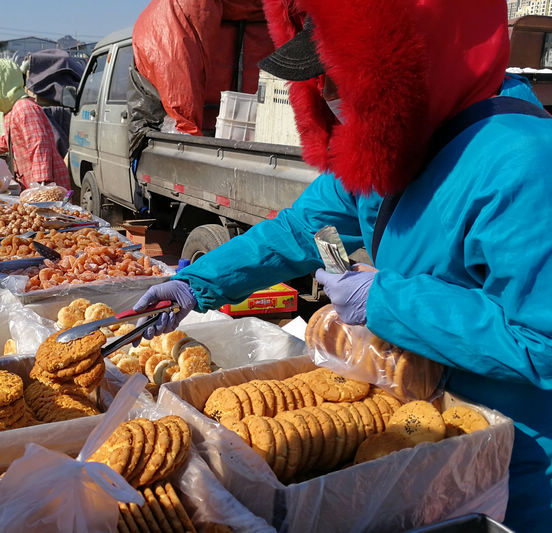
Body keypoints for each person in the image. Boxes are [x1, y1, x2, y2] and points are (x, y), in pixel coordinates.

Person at [134, 1, 552, 530]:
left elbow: (540, 343)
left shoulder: (524, 164)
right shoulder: (393, 144)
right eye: (321, 78)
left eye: (339, 74)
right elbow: (301, 230)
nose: (330, 93)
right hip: (417, 439)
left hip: (513, 467)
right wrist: (196, 285)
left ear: (406, 62)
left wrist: (388, 300)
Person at [0, 58, 70, 189]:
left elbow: (39, 144)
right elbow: (9, 141)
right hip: (30, 181)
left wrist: (41, 185)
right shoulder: (12, 109)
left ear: (3, 83)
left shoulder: (24, 108)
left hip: (47, 184)